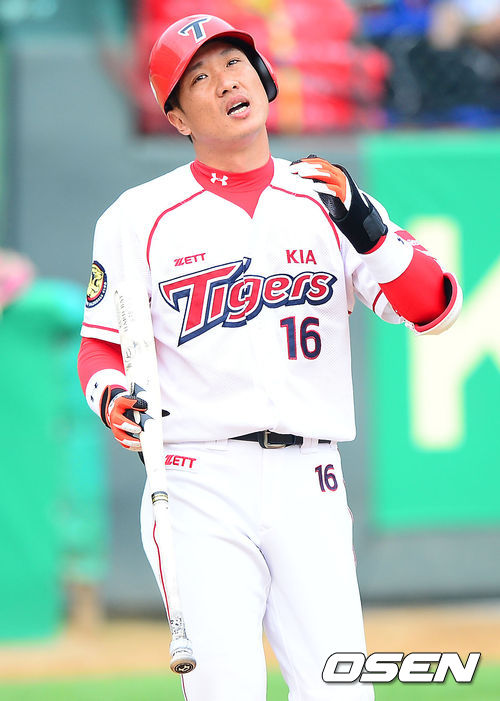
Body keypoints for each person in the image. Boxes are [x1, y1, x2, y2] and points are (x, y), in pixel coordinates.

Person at [77, 14, 462, 701]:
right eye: (199, 77)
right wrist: (110, 395)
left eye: (234, 63)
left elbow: (433, 307)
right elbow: (101, 344)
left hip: (310, 477)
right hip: (197, 478)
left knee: (342, 689)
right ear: (177, 117)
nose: (226, 81)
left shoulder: (326, 195)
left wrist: (371, 233)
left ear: (263, 76)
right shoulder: (138, 216)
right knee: (226, 690)